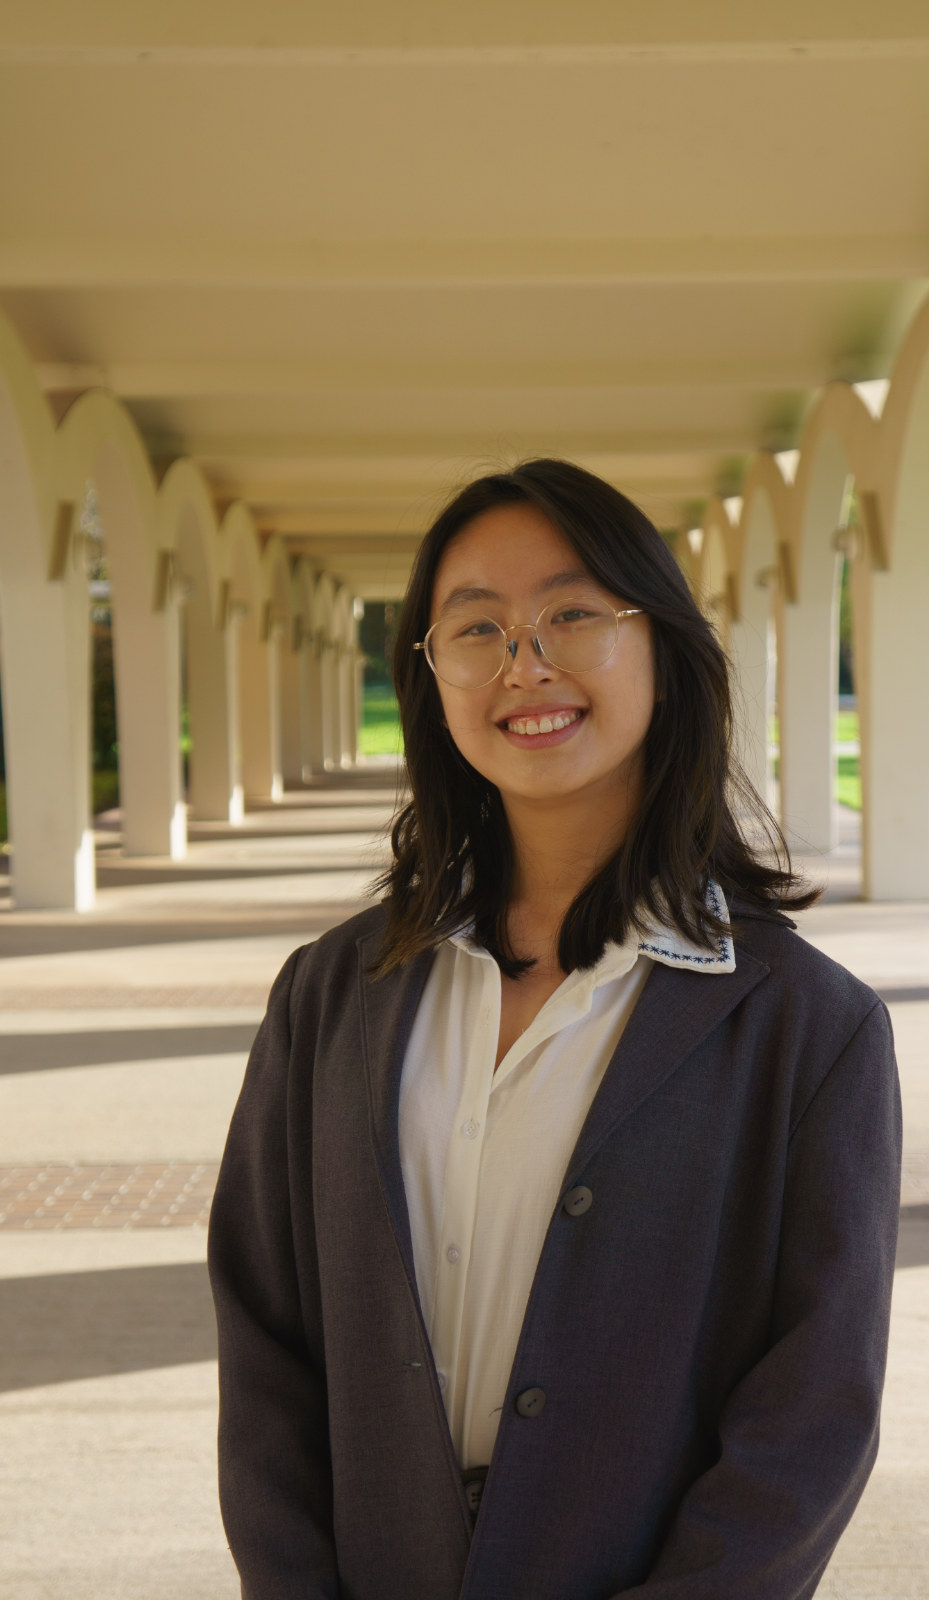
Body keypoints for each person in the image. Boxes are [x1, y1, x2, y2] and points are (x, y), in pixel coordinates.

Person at [208, 459, 901, 1600]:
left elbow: (812, 1409)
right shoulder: (329, 996)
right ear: (430, 675)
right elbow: (264, 1338)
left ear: (663, 649)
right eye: (475, 627)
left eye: (572, 614)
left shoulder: (807, 1030)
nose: (523, 663)